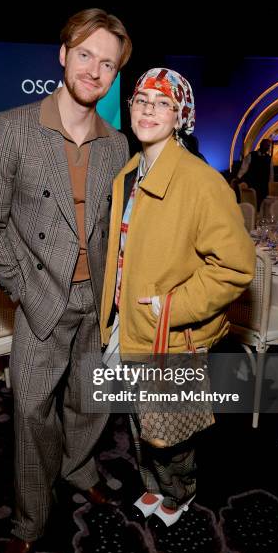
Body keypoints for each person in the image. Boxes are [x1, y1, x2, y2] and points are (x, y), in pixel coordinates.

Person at [0, 8, 132, 553]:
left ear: (114, 76)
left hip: (99, 302)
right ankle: (29, 518)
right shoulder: (13, 126)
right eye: (85, 54)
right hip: (42, 299)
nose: (95, 69)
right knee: (32, 411)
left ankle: (81, 470)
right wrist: (20, 287)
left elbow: (116, 225)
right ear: (62, 55)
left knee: (92, 399)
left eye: (107, 63)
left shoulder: (117, 145)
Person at [100, 68, 255, 528]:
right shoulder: (128, 172)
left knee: (172, 429)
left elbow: (236, 267)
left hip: (167, 332)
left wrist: (171, 305)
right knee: (139, 420)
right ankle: (153, 486)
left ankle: (179, 493)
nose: (148, 109)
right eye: (141, 99)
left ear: (180, 115)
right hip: (125, 324)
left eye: (162, 102)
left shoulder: (201, 182)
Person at [232, 139, 274, 208]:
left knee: (263, 204)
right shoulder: (251, 155)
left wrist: (271, 183)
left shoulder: (269, 158)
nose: (267, 147)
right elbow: (244, 168)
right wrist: (238, 178)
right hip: (253, 183)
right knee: (253, 203)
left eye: (268, 146)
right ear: (261, 145)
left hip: (264, 185)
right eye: (266, 145)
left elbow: (271, 172)